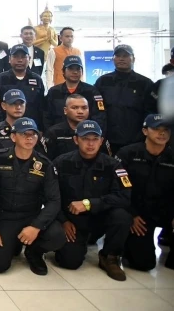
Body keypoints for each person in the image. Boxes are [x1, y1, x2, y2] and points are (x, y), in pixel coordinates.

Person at [53, 120, 132, 281]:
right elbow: (52, 197)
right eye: (85, 139)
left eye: (95, 139)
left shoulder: (113, 165)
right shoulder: (61, 163)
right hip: (74, 222)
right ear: (76, 140)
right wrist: (63, 221)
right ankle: (80, 242)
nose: (90, 143)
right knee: (69, 262)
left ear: (101, 141)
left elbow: (124, 196)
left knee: (122, 216)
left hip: (101, 218)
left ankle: (109, 257)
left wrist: (89, 204)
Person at [0, 117, 65, 275]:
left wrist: (36, 226)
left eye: (33, 135)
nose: (29, 138)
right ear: (13, 137)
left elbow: (54, 201)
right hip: (5, 217)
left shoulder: (45, 164)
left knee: (57, 236)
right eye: (24, 134)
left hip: (31, 216)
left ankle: (34, 252)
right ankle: (13, 243)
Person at [117, 114, 174, 271]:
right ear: (145, 131)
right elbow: (118, 188)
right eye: (156, 129)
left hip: (164, 211)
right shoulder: (127, 154)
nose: (162, 133)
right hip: (139, 214)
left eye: (166, 130)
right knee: (144, 264)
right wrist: (132, 214)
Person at [95, 44, 156, 154]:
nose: (121, 59)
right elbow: (95, 109)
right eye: (118, 56)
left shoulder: (145, 83)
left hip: (136, 141)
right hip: (108, 140)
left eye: (125, 56)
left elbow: (150, 112)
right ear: (113, 59)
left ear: (134, 59)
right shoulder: (102, 82)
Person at [44, 55, 106, 131]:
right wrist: (50, 134)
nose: (75, 72)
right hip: (59, 136)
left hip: (85, 136)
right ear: (63, 71)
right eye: (70, 69)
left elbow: (99, 116)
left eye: (78, 69)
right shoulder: (54, 91)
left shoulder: (92, 91)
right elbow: (46, 116)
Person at [43, 94, 111, 160]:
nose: (80, 112)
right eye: (75, 108)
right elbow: (46, 160)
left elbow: (106, 159)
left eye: (84, 108)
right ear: (65, 110)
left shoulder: (97, 131)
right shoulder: (54, 132)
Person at [0, 44, 46, 127]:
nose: (20, 60)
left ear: (29, 59)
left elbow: (41, 107)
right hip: (5, 129)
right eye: (16, 57)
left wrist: (41, 129)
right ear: (9, 59)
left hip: (31, 129)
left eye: (23, 57)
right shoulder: (0, 79)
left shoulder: (37, 79)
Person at [0, 90, 46, 158]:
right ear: (4, 106)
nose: (18, 107)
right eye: (13, 103)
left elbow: (41, 158)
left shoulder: (34, 132)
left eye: (21, 103)